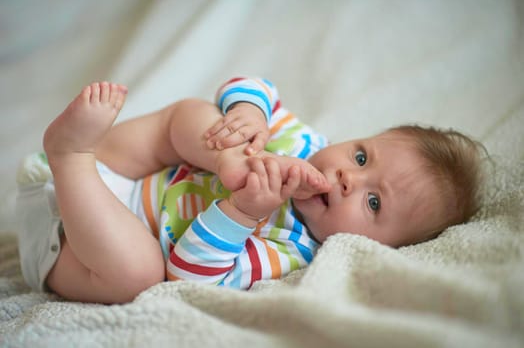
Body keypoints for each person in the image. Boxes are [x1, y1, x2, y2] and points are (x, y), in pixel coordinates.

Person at [16, 77, 483, 304]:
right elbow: (254, 85)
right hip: (116, 168)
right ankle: (83, 153)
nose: (348, 177)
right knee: (194, 116)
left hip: (75, 245)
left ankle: (69, 155)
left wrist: (241, 213)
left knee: (139, 275)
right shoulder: (303, 142)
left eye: (373, 201)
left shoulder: (293, 249)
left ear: (377, 245)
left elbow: (190, 282)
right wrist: (248, 117)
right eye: (361, 157)